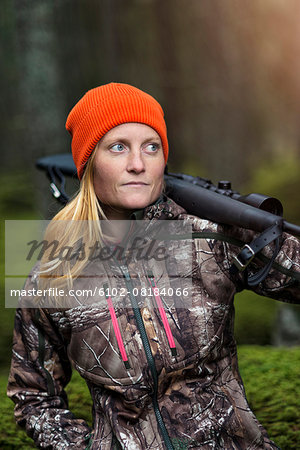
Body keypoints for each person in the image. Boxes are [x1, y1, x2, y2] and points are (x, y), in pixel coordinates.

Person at [7, 82, 300, 449]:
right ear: (88, 161)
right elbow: (32, 395)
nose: (137, 164)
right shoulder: (53, 274)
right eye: (118, 147)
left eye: (152, 147)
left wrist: (258, 234)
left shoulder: (210, 237)